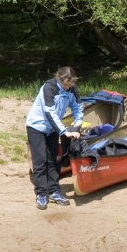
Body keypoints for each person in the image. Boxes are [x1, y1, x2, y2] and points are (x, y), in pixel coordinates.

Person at [26, 66, 83, 210]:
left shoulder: (72, 91)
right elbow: (50, 113)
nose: (67, 87)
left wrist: (76, 127)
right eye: (65, 84)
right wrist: (64, 131)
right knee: (40, 160)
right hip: (36, 126)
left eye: (70, 84)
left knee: (54, 160)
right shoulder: (49, 87)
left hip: (53, 128)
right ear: (58, 78)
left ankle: (54, 191)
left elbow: (78, 109)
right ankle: (41, 194)